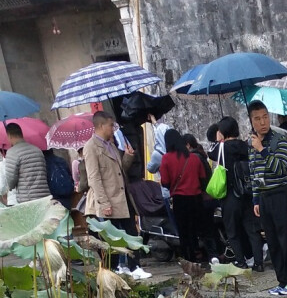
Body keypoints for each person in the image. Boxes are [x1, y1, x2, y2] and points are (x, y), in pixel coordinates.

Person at [82, 111, 151, 278]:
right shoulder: (91, 147)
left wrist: (128, 156)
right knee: (111, 238)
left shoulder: (111, 145)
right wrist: (103, 202)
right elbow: (94, 178)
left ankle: (135, 267)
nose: (113, 129)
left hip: (123, 196)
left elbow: (120, 171)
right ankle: (112, 270)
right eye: (110, 125)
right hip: (109, 199)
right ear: (100, 126)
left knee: (131, 233)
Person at [248, 100, 287, 297]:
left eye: (265, 117)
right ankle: (282, 281)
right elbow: (254, 173)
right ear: (252, 121)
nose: (263, 122)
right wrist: (255, 199)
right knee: (272, 241)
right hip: (264, 197)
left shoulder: (280, 138)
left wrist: (262, 150)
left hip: (282, 193)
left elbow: (280, 167)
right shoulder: (251, 143)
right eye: (257, 118)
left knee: (286, 238)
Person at [215, 117, 263, 272]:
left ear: (222, 131)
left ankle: (240, 261)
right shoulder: (246, 145)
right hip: (248, 194)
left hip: (230, 195)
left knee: (232, 231)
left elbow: (211, 154)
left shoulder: (221, 148)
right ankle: (258, 263)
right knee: (252, 230)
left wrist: (219, 140)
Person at [158, 129, 210, 262]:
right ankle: (198, 254)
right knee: (195, 229)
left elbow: (165, 181)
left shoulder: (166, 158)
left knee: (183, 230)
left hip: (180, 199)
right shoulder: (194, 158)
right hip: (196, 198)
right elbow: (203, 178)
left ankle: (188, 258)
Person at [2, 123, 50, 202]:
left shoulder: (12, 152)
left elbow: (11, 180)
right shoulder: (37, 150)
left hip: (28, 199)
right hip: (45, 196)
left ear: (9, 135)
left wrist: (10, 187)